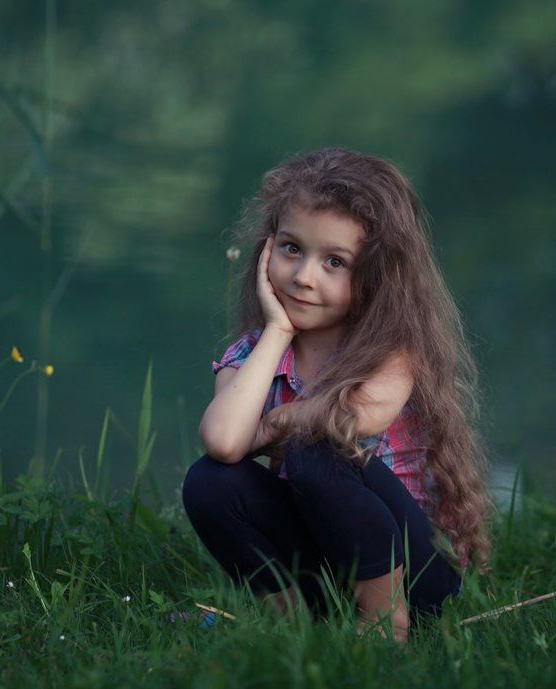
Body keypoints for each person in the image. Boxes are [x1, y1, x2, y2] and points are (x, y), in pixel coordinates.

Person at [182, 147, 495, 643]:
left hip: (416, 573)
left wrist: (274, 426)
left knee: (317, 451)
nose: (304, 277)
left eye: (334, 261)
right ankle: (292, 624)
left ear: (376, 275)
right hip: (329, 568)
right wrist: (277, 333)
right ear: (266, 249)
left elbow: (358, 418)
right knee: (209, 481)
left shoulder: (390, 352)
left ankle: (385, 626)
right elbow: (223, 443)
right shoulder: (252, 355)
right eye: (290, 249)